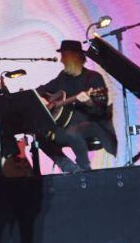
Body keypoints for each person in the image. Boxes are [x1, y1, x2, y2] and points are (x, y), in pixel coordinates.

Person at [35, 40, 117, 173]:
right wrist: (45, 98)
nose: (62, 60)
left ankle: (85, 169)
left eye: (64, 56)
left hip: (91, 123)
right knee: (40, 137)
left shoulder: (93, 78)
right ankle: (70, 167)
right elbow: (42, 89)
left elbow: (100, 110)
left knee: (72, 132)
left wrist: (89, 102)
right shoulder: (63, 76)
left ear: (75, 56)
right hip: (67, 125)